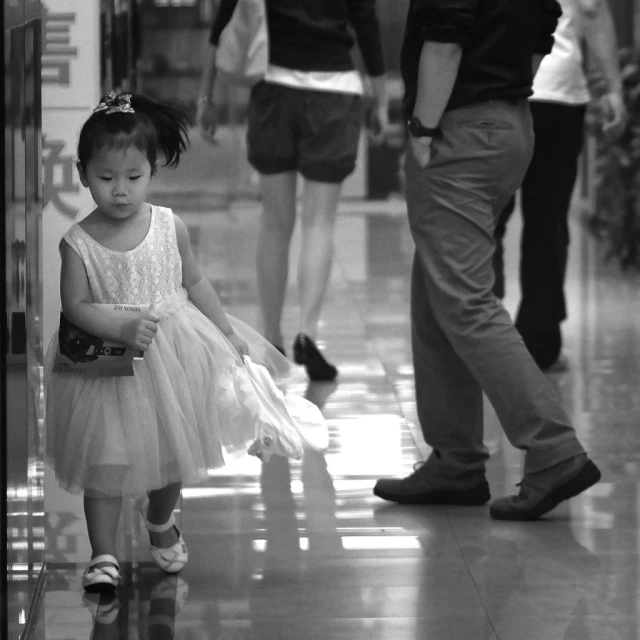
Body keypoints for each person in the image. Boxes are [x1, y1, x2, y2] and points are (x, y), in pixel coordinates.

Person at [44, 91, 326, 593]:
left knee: (172, 450)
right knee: (104, 460)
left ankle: (159, 519)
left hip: (174, 353)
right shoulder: (78, 243)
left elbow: (194, 283)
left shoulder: (168, 225)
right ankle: (103, 554)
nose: (120, 191)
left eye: (134, 177)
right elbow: (77, 307)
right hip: (106, 366)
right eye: (106, 178)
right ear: (83, 173)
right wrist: (123, 327)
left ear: (152, 170)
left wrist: (226, 330)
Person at [373, 0, 601, 520]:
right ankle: (455, 459)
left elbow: (446, 41)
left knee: (466, 301)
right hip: (510, 121)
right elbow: (548, 20)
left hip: (459, 126)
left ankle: (553, 448)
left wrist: (423, 129)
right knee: (437, 291)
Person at [197, 0, 389, 381]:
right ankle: (309, 333)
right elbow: (366, 24)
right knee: (319, 223)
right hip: (335, 90)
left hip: (274, 88)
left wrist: (206, 96)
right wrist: (380, 101)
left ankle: (271, 340)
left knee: (275, 222)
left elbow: (224, 20)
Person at [493, 0, 626, 371]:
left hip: (493, 89)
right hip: (557, 95)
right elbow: (592, 9)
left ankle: (479, 335)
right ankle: (539, 342)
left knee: (486, 220)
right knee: (547, 221)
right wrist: (613, 88)